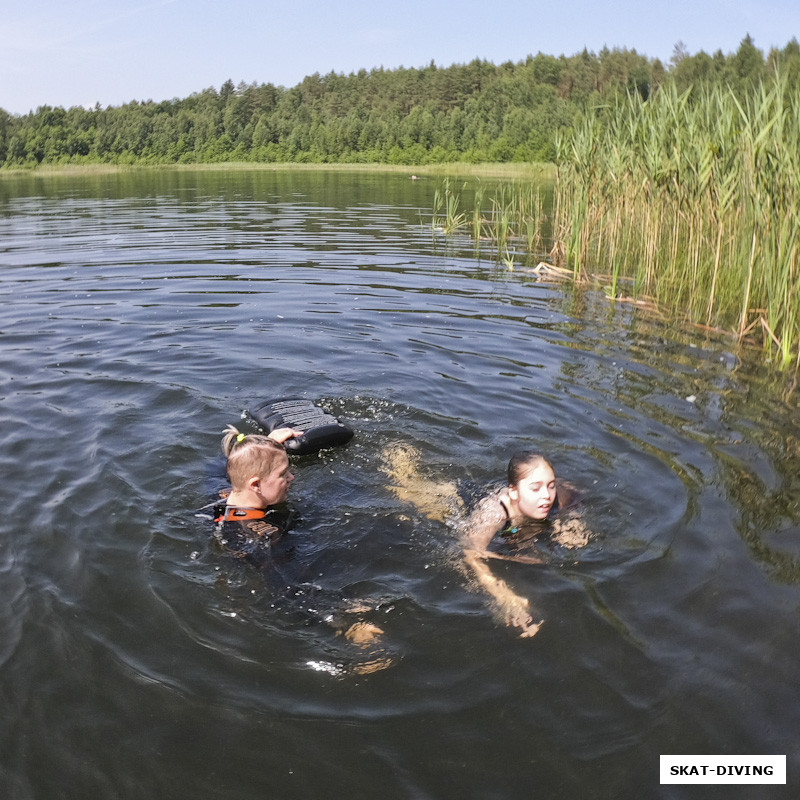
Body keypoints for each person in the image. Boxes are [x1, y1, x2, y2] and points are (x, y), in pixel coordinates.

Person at [382, 445, 588, 638]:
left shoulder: (556, 495)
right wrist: (504, 596)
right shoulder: (492, 513)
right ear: (514, 491)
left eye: (550, 486)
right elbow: (470, 554)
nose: (546, 496)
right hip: (462, 502)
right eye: (535, 488)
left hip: (517, 524)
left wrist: (572, 523)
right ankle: (399, 457)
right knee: (406, 491)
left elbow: (576, 495)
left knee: (534, 559)